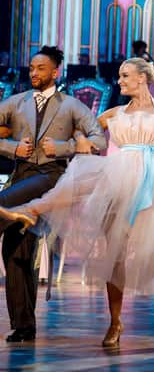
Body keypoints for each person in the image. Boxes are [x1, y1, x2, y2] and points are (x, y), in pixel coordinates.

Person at [0, 57, 154, 347]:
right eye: (119, 76)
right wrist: (74, 141)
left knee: (132, 246)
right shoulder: (115, 112)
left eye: (125, 76)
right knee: (113, 250)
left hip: (148, 177)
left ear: (142, 78)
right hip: (116, 173)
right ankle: (115, 320)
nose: (119, 81)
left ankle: (32, 209)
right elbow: (88, 132)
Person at [0, 46, 106, 343]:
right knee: (16, 250)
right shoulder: (16, 102)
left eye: (41, 68)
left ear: (55, 72)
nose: (34, 73)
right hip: (20, 175)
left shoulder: (71, 105)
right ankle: (24, 326)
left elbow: (98, 137)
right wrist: (11, 148)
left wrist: (63, 147)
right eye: (31, 68)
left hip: (50, 178)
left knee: (2, 205)